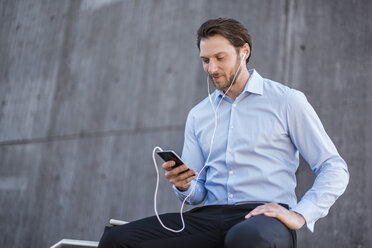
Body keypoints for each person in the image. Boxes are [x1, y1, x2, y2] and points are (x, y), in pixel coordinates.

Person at [98, 18, 349, 248]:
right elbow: (197, 194)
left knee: (244, 238)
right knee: (116, 239)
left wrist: (300, 214)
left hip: (264, 219)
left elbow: (333, 167)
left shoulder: (286, 101)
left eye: (220, 57)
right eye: (205, 60)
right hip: (209, 217)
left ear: (244, 52)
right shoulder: (199, 115)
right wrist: (184, 185)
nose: (211, 68)